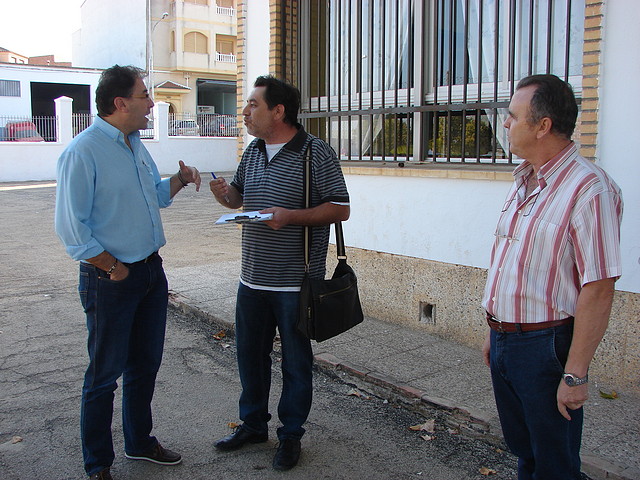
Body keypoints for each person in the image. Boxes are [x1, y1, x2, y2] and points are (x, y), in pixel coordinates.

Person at [55, 65, 202, 480]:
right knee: (104, 376)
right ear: (120, 103)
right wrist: (111, 267)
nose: (152, 104)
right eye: (144, 95)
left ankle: (139, 443)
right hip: (111, 280)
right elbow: (72, 227)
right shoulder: (82, 152)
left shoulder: (134, 142)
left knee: (145, 366)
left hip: (150, 273)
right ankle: (98, 463)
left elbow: (153, 195)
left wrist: (178, 179)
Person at [481, 74, 623, 480]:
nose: (505, 124)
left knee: (555, 462)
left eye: (512, 116)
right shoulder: (526, 180)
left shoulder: (588, 189)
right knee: (525, 451)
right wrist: (496, 331)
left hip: (546, 347)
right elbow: (513, 262)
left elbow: (598, 288)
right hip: (507, 341)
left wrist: (575, 375)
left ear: (542, 125)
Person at [209, 75, 350, 471]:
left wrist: (290, 218)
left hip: (295, 282)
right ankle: (253, 425)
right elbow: (240, 197)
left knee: (295, 363)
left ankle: (290, 436)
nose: (245, 111)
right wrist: (226, 195)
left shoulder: (314, 153)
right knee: (249, 358)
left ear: (278, 111)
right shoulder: (253, 150)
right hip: (251, 278)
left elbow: (340, 208)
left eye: (254, 104)